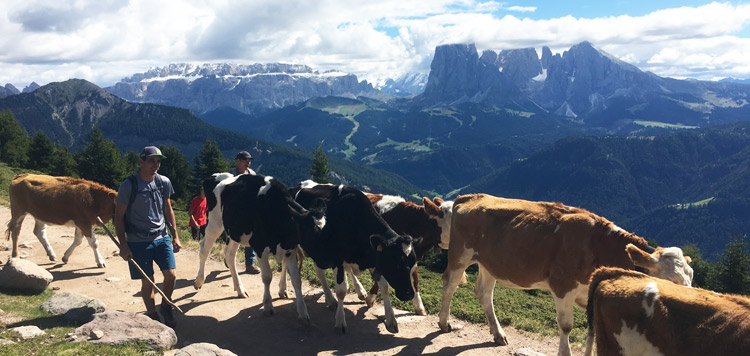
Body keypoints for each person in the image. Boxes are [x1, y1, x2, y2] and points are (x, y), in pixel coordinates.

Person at [114, 146, 182, 328]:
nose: (156, 164)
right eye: (152, 160)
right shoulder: (129, 185)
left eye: (158, 161)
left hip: (161, 236)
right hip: (137, 241)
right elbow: (118, 217)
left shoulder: (163, 182)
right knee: (148, 281)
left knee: (171, 275)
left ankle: (166, 306)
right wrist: (123, 245)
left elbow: (168, 209)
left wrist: (175, 235)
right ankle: (152, 315)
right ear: (141, 161)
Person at [229, 150, 260, 274]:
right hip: (233, 211)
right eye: (246, 160)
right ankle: (229, 257)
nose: (248, 163)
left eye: (249, 161)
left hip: (249, 210)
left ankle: (250, 264)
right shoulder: (230, 175)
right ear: (238, 161)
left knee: (251, 235)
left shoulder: (252, 174)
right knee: (231, 236)